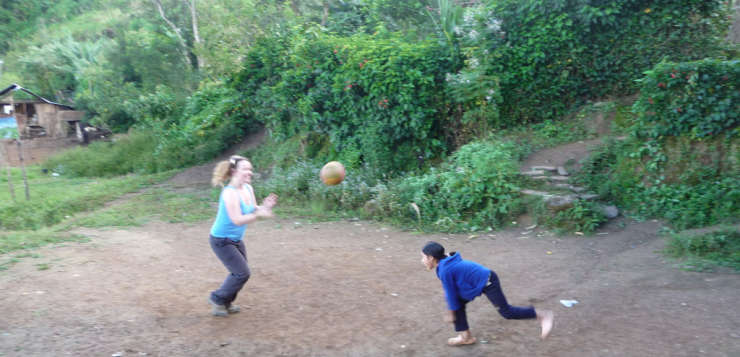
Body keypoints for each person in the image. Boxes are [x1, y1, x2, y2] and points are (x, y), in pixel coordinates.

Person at [420, 241, 554, 346]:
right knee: (457, 304)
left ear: (432, 258)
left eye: (423, 257)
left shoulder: (445, 270)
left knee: (506, 312)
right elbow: (452, 293)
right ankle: (466, 337)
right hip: (475, 283)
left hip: (488, 281)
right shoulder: (445, 262)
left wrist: (451, 312)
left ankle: (542, 315)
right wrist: (453, 309)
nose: (422, 260)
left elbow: (450, 293)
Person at [208, 155, 278, 317]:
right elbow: (237, 219)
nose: (249, 172)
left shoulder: (248, 188)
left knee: (239, 274)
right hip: (221, 240)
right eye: (245, 169)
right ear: (233, 172)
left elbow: (252, 209)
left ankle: (226, 302)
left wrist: (264, 207)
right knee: (241, 273)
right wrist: (260, 215)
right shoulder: (229, 193)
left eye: (250, 169)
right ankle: (217, 299)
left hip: (235, 240)